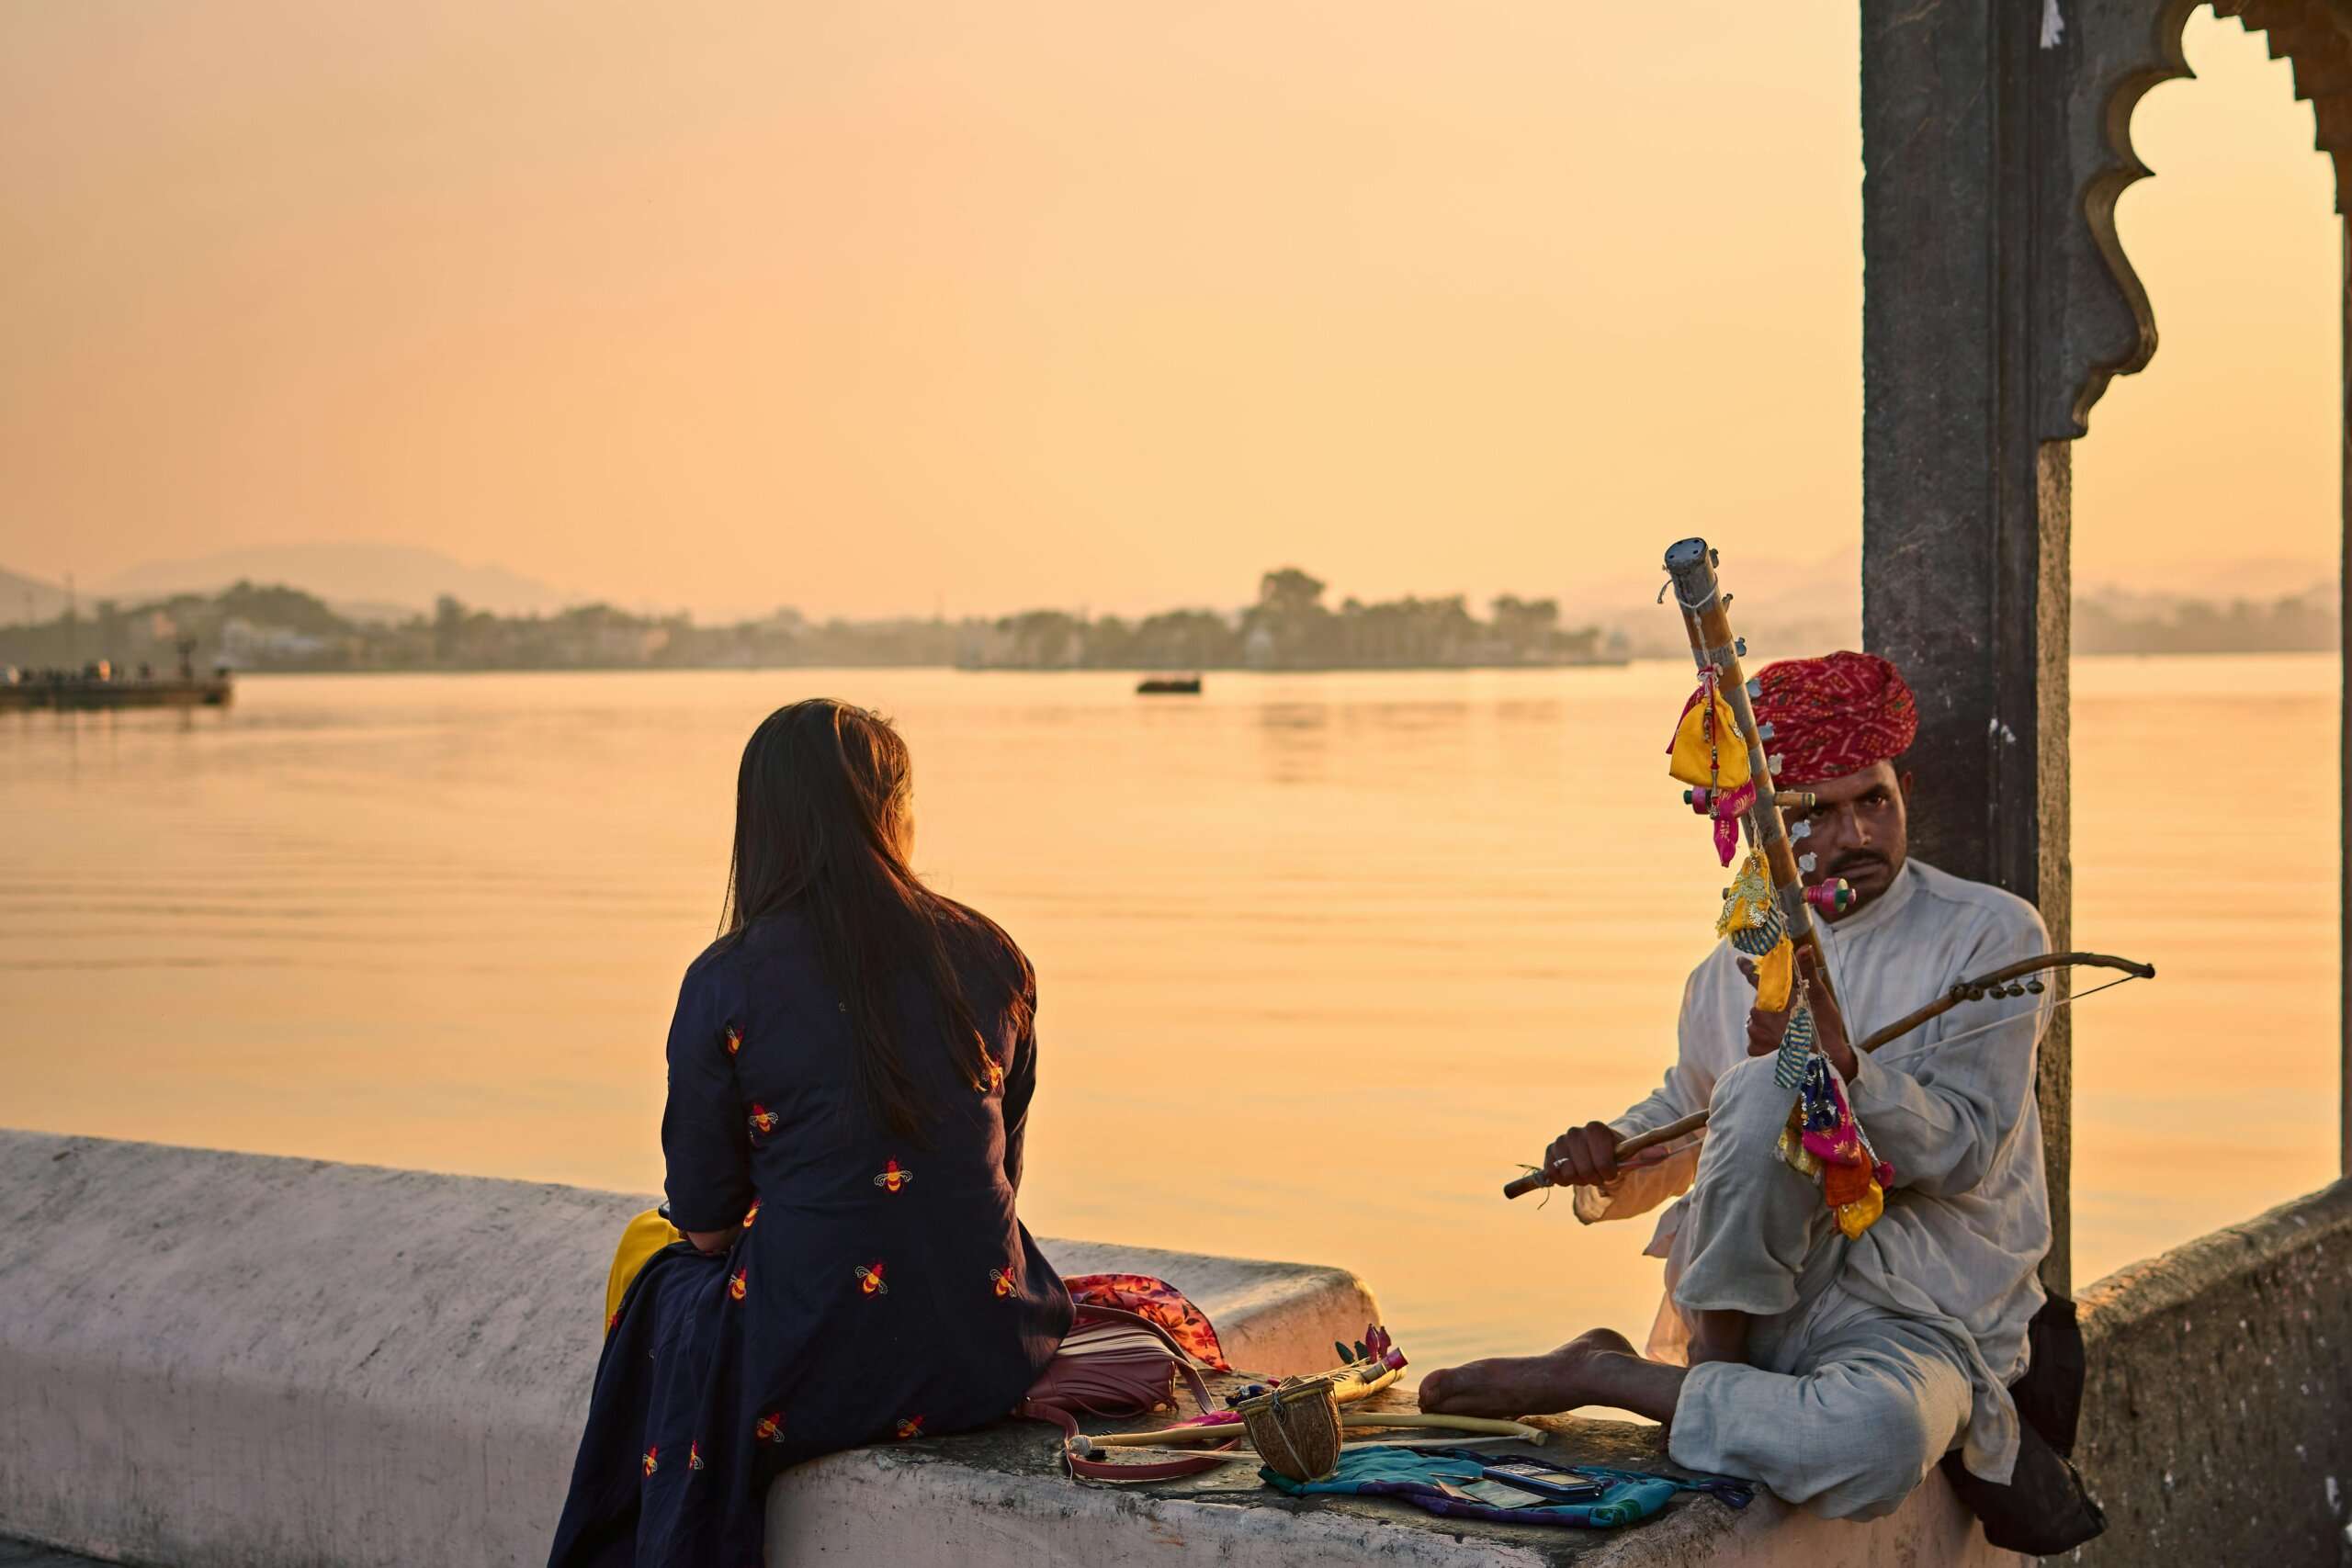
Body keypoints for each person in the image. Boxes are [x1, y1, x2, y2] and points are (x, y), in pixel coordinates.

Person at [1421, 651, 2054, 1521]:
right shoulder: (1730, 969)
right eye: (1819, 813)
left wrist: (1846, 1069)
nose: (1857, 835)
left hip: (1920, 1315)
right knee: (1761, 1087)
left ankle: (1614, 1376)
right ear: (1766, 827)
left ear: (1903, 786)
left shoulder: (1990, 937)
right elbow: (1694, 1120)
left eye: (1874, 799)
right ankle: (1720, 1367)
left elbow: (1965, 1148)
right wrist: (1611, 1152)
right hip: (1773, 1311)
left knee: (1879, 1439)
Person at [548, 699, 1071, 1568]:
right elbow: (998, 1178)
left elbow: (708, 1223)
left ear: (761, 825)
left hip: (811, 1368)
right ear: (891, 812)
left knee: (654, 1260)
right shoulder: (992, 954)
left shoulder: (727, 981)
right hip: (991, 1347)